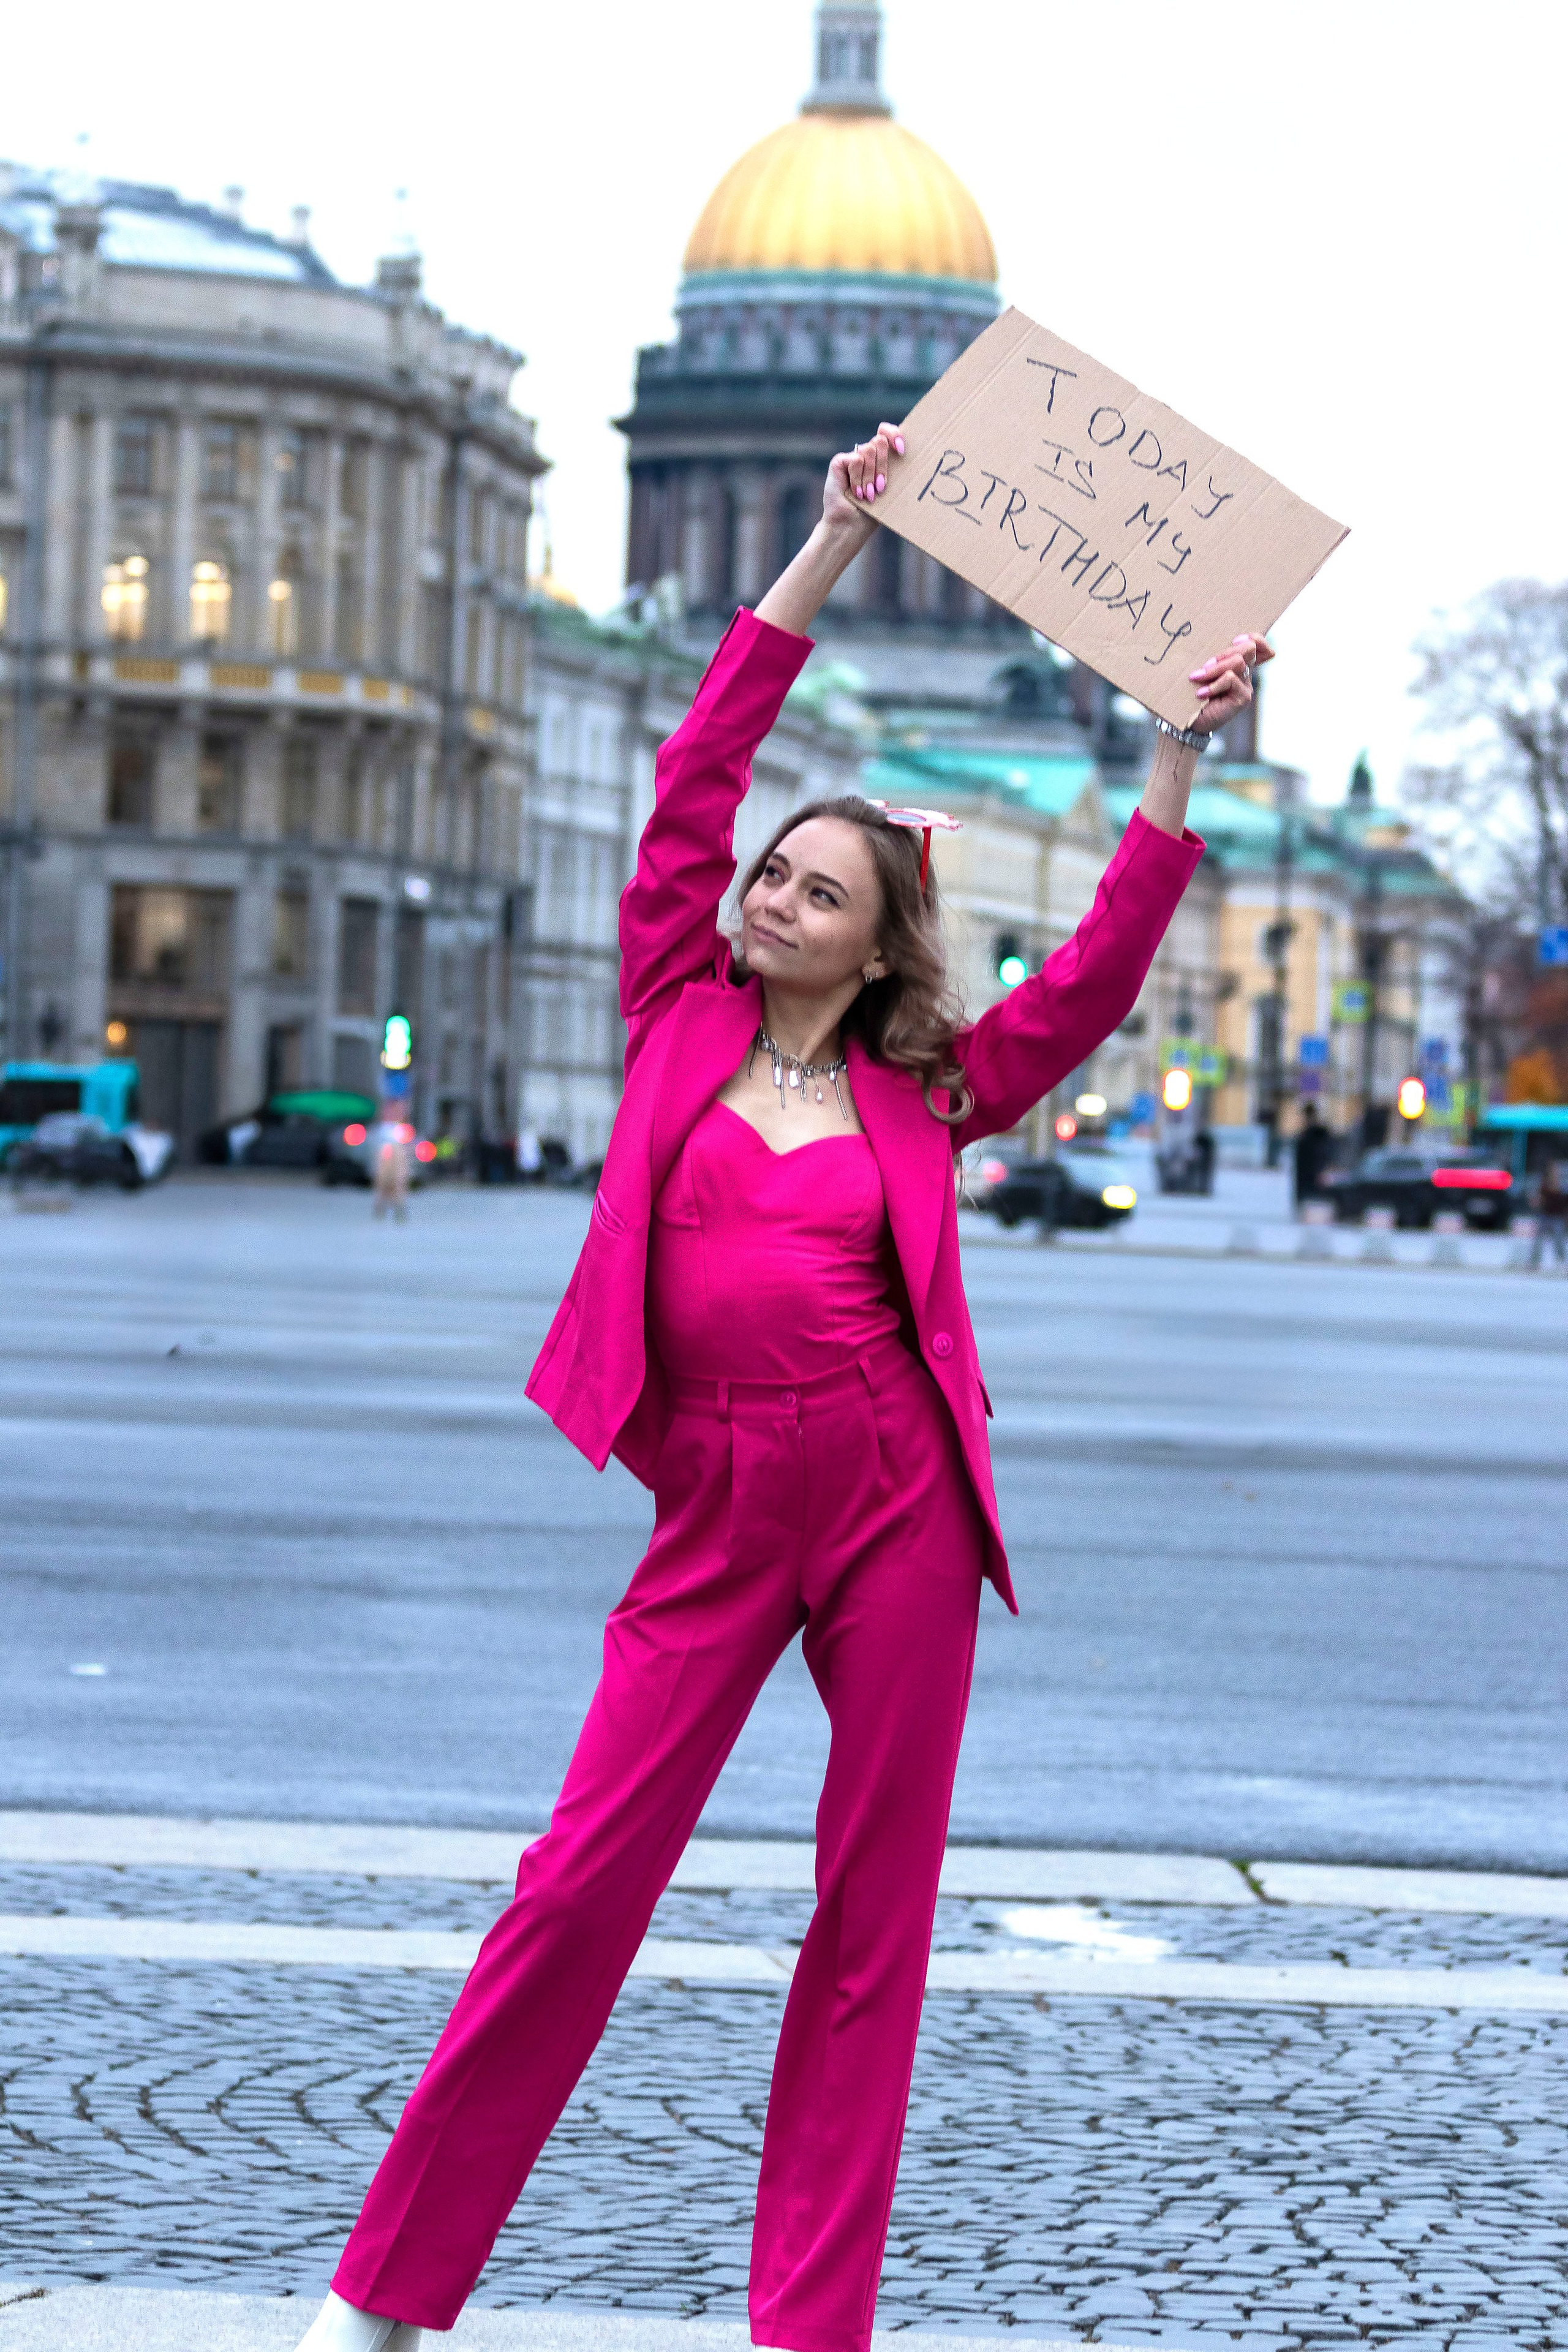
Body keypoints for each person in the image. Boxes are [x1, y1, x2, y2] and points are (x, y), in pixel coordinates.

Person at [296, 425, 1269, 2352]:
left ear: (877, 935)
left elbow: (1083, 982)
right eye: (767, 872)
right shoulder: (674, 998)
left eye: (812, 889)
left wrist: (1175, 748)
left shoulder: (927, 1084)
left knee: (867, 1920)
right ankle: (386, 2292)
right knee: (576, 1885)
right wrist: (831, 543)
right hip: (723, 1497)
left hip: (899, 1493)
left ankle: (805, 2326)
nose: (767, 894)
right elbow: (692, 770)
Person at [369, 1112, 410, 1222]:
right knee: (384, 1184)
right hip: (387, 1158)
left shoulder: (400, 1130)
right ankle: (382, 1209)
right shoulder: (384, 1131)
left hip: (393, 1158)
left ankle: (397, 1210)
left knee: (397, 1185)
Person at [1293, 1102, 1334, 1205]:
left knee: (1314, 1200)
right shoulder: (1305, 1133)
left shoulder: (1318, 1132)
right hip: (1304, 1174)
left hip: (1313, 1172)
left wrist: (1323, 1169)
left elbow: (1324, 1152)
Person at [1529, 1158, 1567, 1268]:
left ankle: (1562, 1262)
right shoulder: (1544, 1183)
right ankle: (1534, 1262)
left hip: (1557, 1217)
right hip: (1545, 1216)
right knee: (1538, 1240)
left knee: (1559, 1241)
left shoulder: (1562, 1184)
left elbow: (1564, 1202)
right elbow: (1539, 1199)